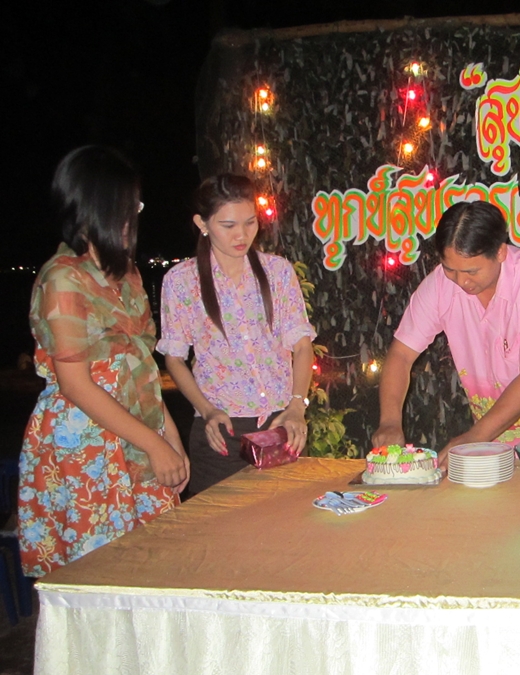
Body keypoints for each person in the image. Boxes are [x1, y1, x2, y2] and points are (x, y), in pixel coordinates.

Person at [18, 146, 189, 578]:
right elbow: (75, 384)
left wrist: (169, 436)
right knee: (98, 574)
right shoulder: (64, 277)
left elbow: (141, 367)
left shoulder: (126, 273)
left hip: (137, 426)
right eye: (131, 204)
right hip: (86, 442)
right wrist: (154, 444)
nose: (135, 214)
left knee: (153, 564)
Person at [372, 200, 520, 461]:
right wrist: (390, 422)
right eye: (450, 269)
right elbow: (401, 354)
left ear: (500, 252)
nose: (461, 281)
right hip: (493, 450)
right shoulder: (441, 285)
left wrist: (473, 438)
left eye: (471, 271)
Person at [158, 174, 315, 494]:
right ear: (202, 223)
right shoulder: (181, 281)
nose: (241, 235)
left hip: (280, 425)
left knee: (288, 520)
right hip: (221, 430)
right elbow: (174, 359)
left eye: (250, 222)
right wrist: (207, 410)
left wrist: (297, 407)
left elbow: (301, 346)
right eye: (228, 225)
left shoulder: (277, 272)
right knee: (221, 524)